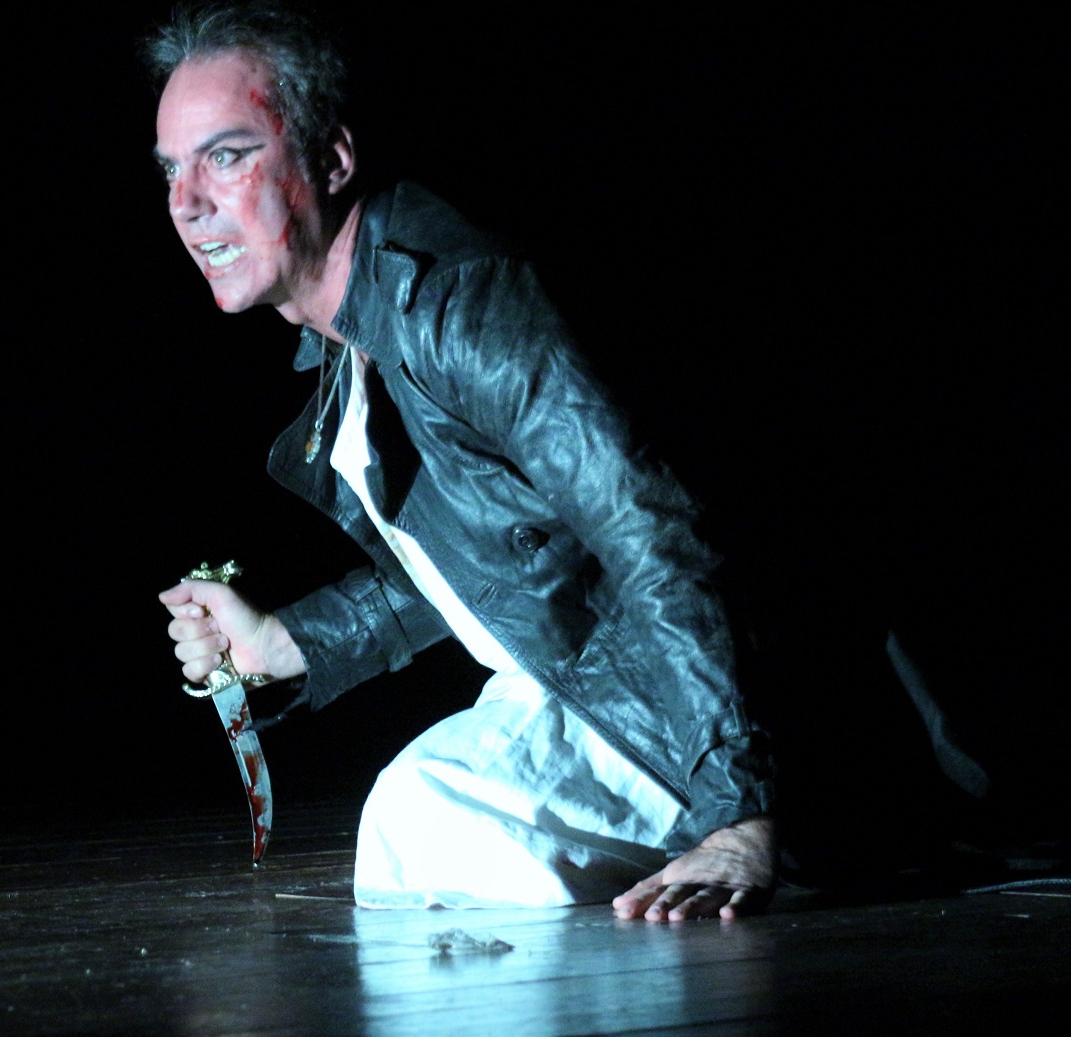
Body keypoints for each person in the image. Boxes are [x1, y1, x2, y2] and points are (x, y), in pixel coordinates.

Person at [149, 0, 777, 921]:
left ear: (332, 160)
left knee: (431, 828)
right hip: (587, 689)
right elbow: (511, 554)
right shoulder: (350, 339)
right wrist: (284, 642)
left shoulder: (457, 304)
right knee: (418, 831)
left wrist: (741, 809)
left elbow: (645, 523)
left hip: (673, 713)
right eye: (171, 169)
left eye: (227, 156)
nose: (186, 203)